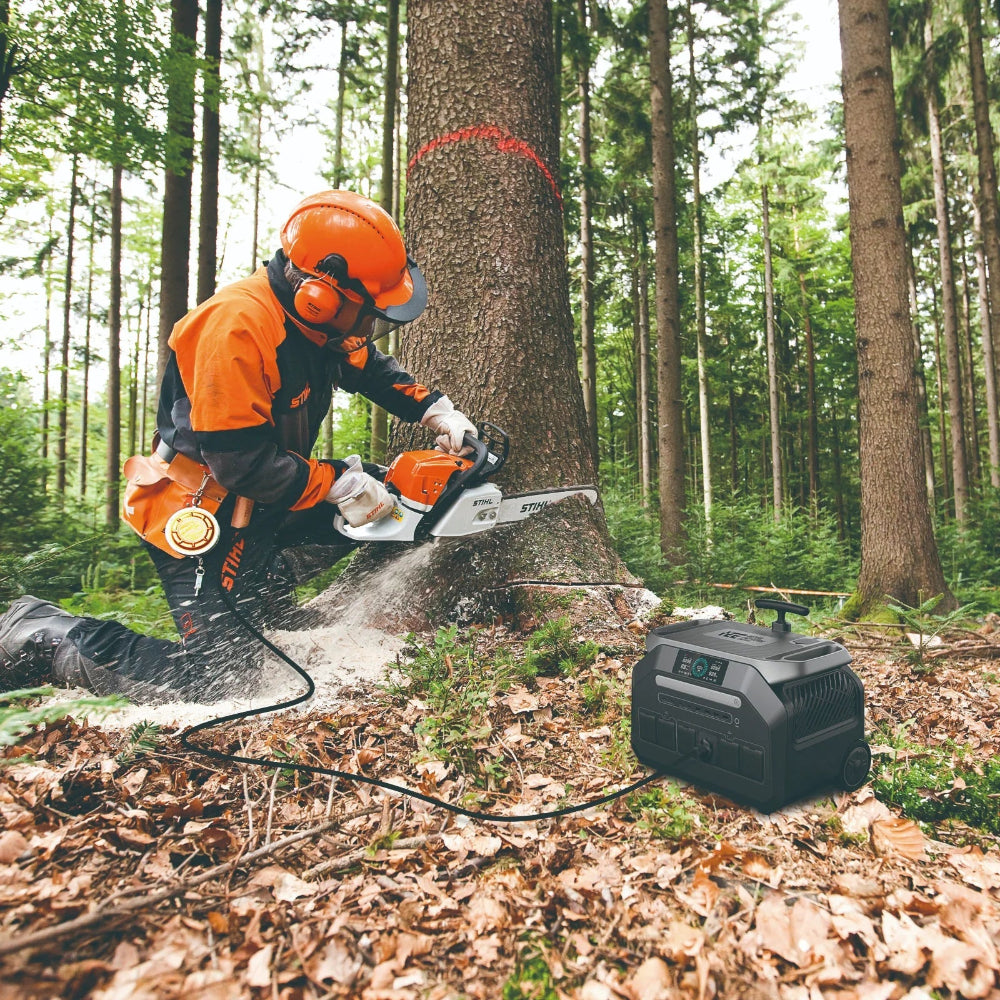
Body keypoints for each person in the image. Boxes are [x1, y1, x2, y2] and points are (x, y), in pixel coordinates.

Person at [0, 190, 476, 704]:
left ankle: (264, 588)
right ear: (321, 295)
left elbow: (372, 368)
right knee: (220, 679)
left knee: (402, 504)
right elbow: (239, 462)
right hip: (201, 509)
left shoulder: (320, 324)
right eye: (367, 312)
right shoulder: (237, 327)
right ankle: (39, 634)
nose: (370, 326)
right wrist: (337, 482)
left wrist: (434, 408)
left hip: (268, 496)